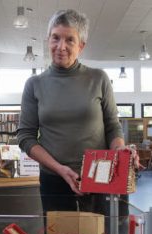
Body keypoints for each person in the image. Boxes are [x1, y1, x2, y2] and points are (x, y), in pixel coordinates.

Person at [17, 9, 140, 214]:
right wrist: (60, 169)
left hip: (100, 176)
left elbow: (112, 126)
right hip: (54, 180)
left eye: (70, 40)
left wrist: (119, 150)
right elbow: (26, 137)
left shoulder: (98, 78)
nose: (61, 47)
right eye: (55, 38)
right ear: (48, 40)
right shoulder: (34, 85)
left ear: (81, 46)